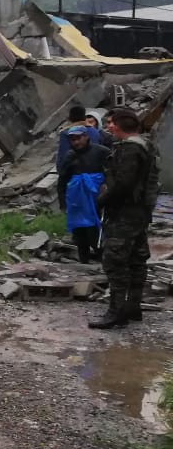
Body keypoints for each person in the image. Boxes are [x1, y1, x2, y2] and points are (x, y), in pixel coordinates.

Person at [88, 107, 161, 329]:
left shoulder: (129, 149)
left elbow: (124, 184)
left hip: (124, 213)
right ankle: (133, 306)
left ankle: (116, 312)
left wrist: (101, 200)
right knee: (137, 260)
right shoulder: (146, 144)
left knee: (115, 261)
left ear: (120, 125)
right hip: (140, 212)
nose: (109, 126)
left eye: (112, 123)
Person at [57, 126, 110, 263]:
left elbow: (112, 173)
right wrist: (63, 202)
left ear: (86, 136)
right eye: (72, 139)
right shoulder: (69, 156)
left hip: (97, 200)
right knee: (79, 233)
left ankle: (103, 261)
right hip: (76, 202)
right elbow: (62, 179)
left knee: (97, 231)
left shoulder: (101, 152)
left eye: (78, 138)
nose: (76, 142)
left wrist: (106, 188)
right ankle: (83, 262)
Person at [56, 105, 101, 170]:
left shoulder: (66, 133)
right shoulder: (95, 131)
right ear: (85, 117)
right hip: (94, 171)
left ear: (69, 118)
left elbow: (64, 156)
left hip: (75, 173)